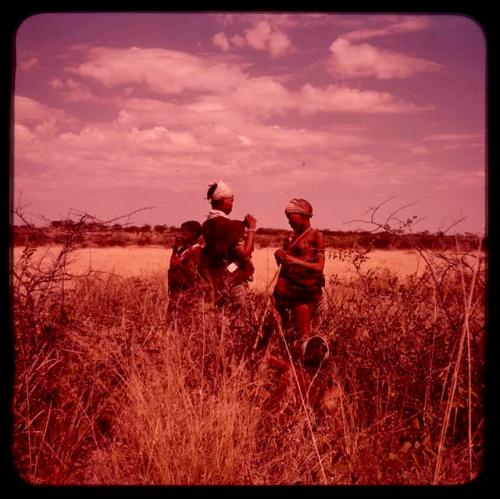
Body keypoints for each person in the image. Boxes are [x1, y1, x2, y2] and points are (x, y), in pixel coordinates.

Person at [199, 180, 256, 330]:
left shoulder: (207, 224)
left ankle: (222, 349)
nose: (232, 205)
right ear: (223, 201)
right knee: (238, 319)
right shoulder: (228, 226)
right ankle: (236, 350)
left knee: (221, 317)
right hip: (233, 279)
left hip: (217, 280)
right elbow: (245, 253)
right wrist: (251, 229)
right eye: (231, 201)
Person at [273, 198, 325, 355]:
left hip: (305, 291)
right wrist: (279, 255)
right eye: (288, 219)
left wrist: (291, 260)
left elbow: (319, 267)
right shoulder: (290, 238)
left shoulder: (316, 235)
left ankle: (306, 364)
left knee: (304, 334)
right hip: (287, 290)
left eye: (292, 219)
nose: (289, 223)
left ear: (304, 215)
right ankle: (287, 359)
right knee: (284, 331)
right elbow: (283, 265)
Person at [167, 220, 203, 313]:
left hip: (186, 290)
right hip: (176, 289)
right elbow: (172, 265)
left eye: (184, 231)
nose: (181, 234)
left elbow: (193, 274)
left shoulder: (196, 251)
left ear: (194, 234)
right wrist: (176, 248)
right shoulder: (183, 249)